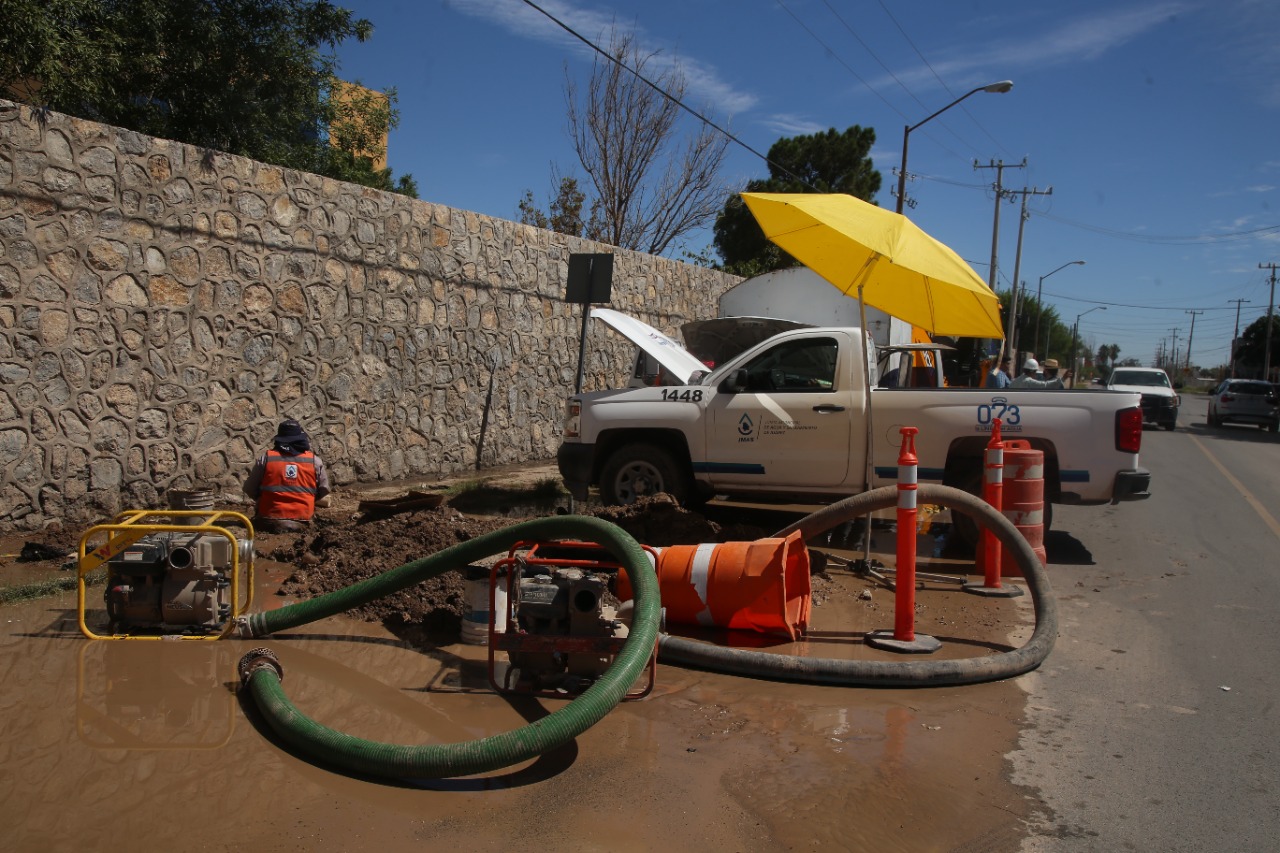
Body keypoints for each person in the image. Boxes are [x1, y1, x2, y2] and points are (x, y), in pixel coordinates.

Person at [243, 419, 331, 533]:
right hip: (303, 519)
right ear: (300, 438)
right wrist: (309, 499)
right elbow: (324, 488)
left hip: (269, 520)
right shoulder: (314, 461)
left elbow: (249, 488)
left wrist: (261, 499)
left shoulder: (266, 459)